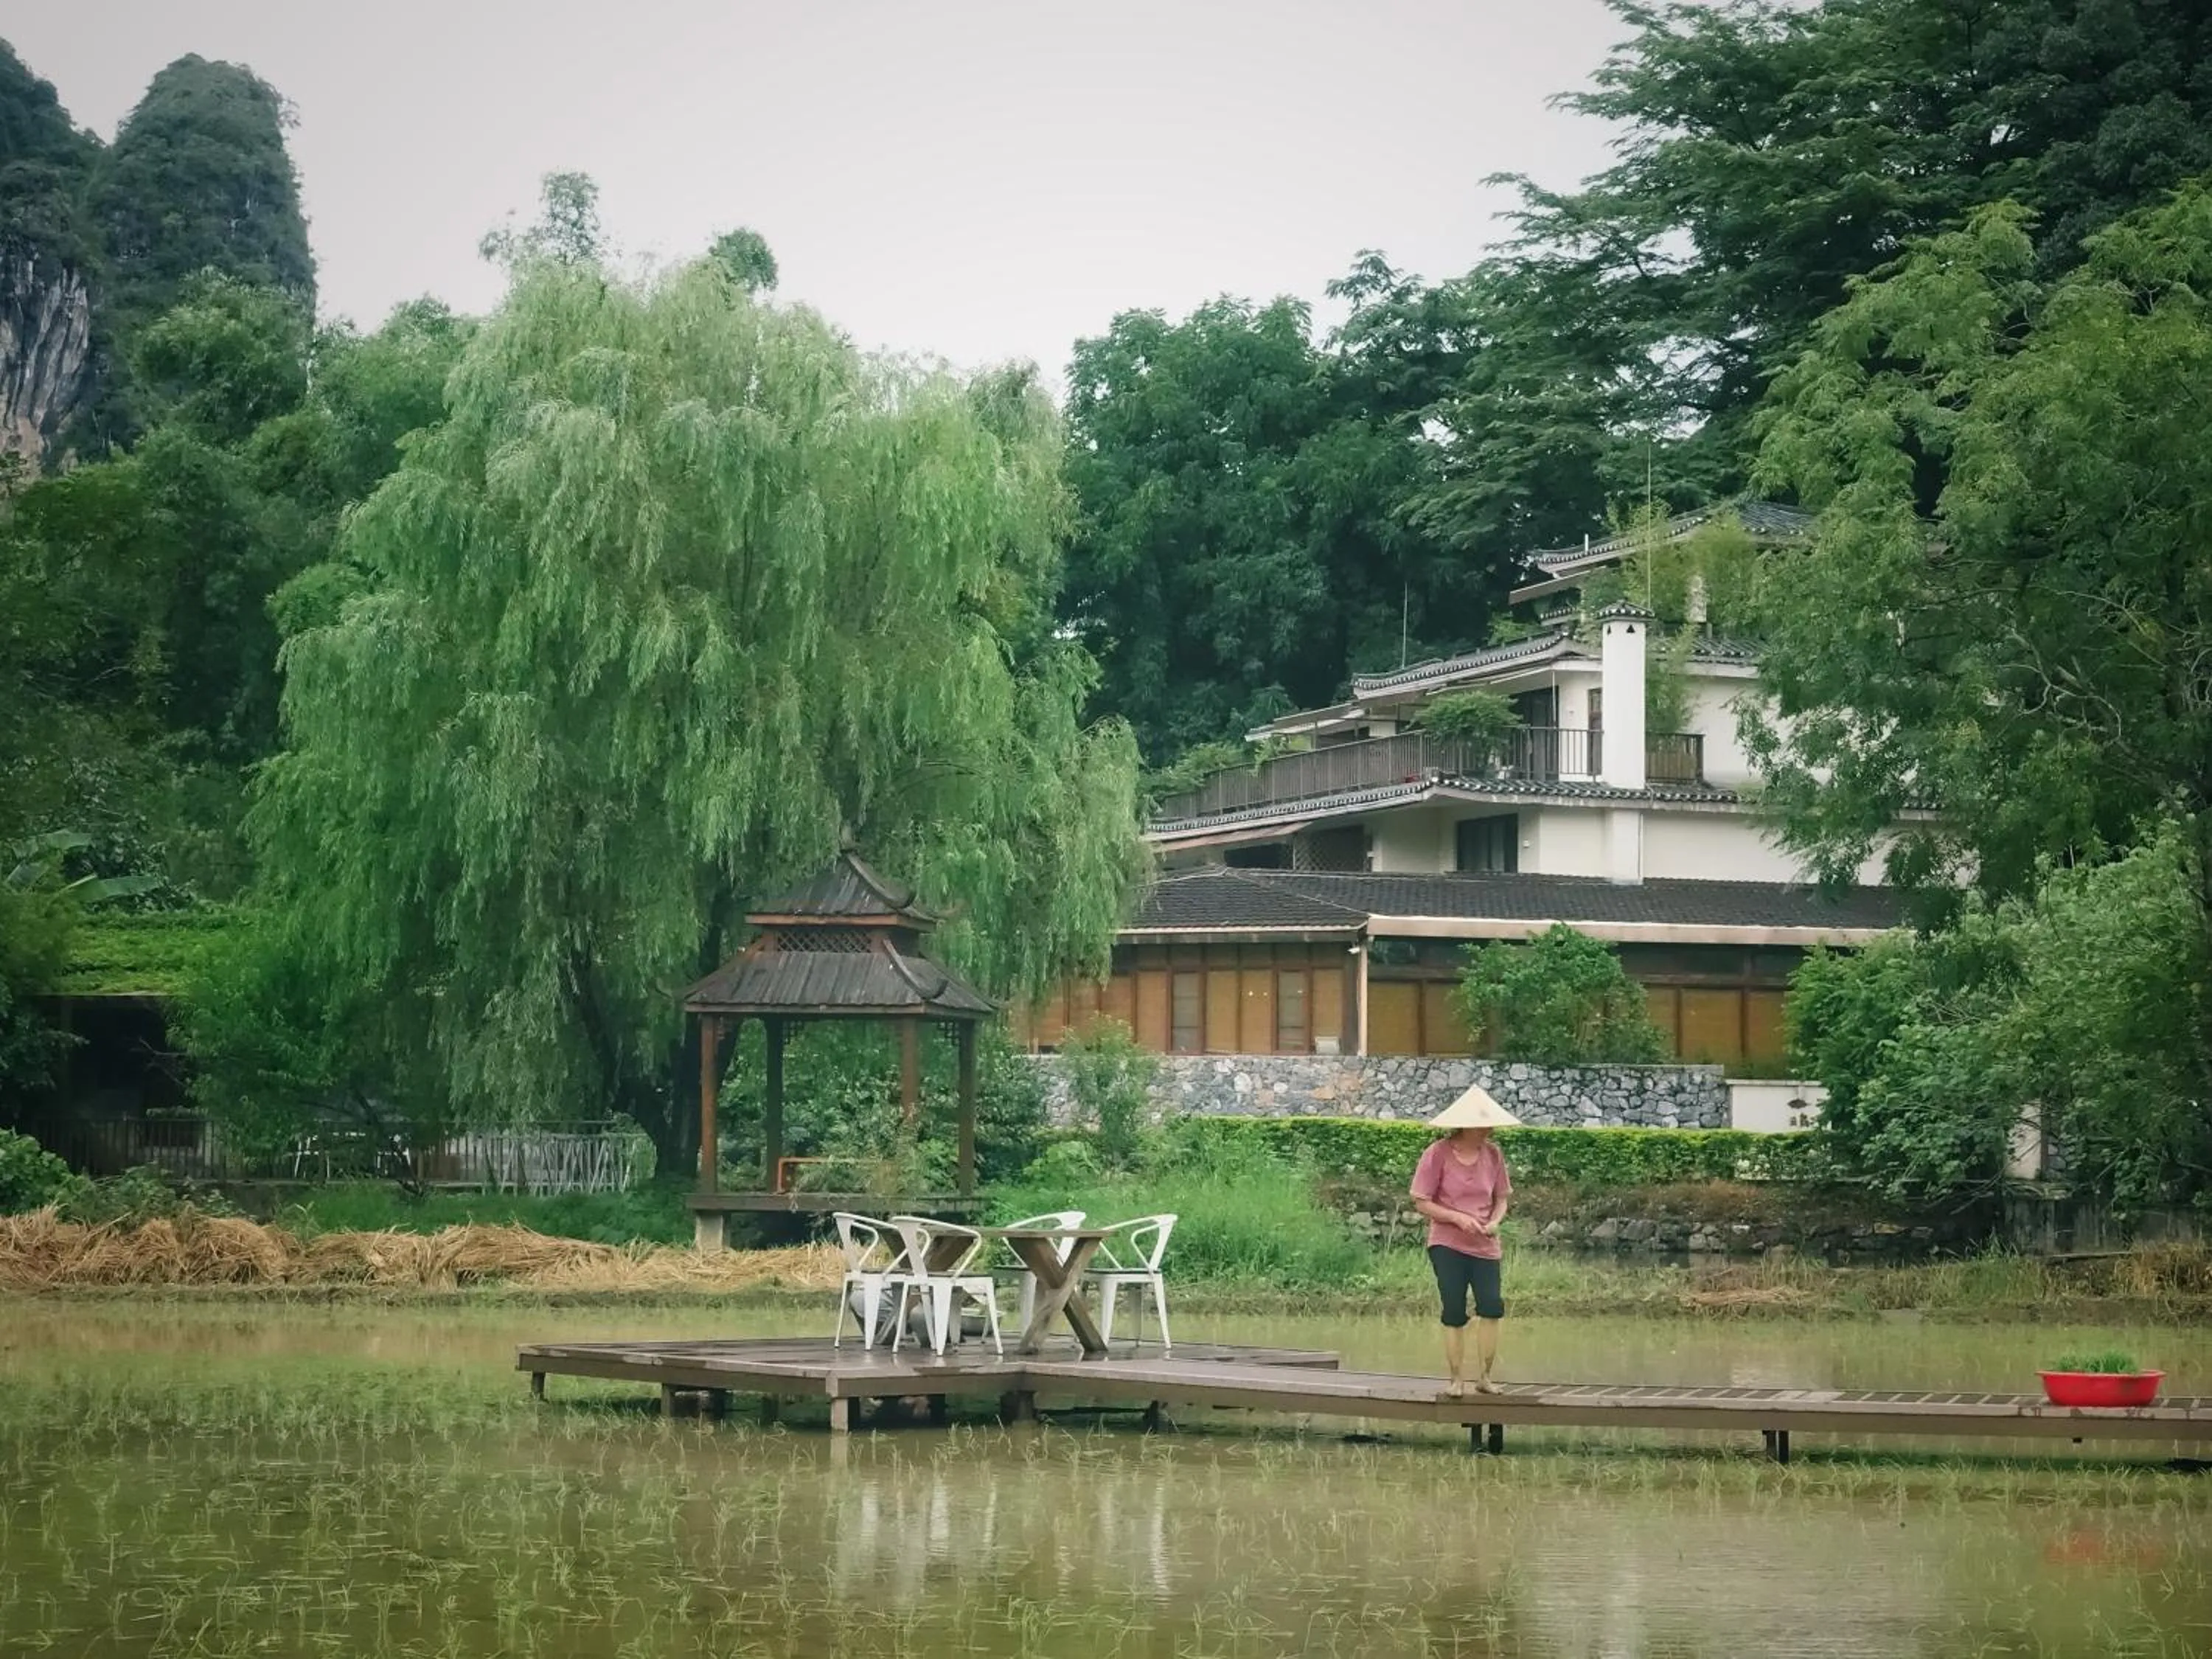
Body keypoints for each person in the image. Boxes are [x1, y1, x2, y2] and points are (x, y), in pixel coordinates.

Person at [1408, 1082, 1519, 1397]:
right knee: (1454, 1308)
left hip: (1485, 1244)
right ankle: (1456, 1379)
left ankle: (1485, 1377)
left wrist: (1494, 1221)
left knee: (1492, 1306)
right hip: (1448, 1243)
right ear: (1466, 1125)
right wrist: (1457, 1218)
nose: (1488, 1129)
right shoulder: (1438, 1153)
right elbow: (1421, 1201)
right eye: (1482, 1124)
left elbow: (1501, 1198)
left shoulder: (1494, 1154)